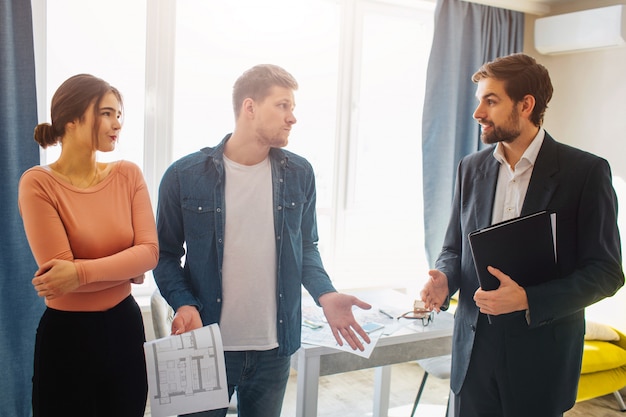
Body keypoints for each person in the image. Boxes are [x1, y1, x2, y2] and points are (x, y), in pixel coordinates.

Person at [153, 64, 372, 417]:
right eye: (283, 106)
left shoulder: (300, 173)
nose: (292, 118)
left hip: (274, 351)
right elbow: (164, 256)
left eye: (293, 108)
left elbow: (305, 247)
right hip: (205, 346)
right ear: (250, 107)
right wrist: (185, 304)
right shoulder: (183, 176)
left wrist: (325, 294)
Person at [420, 53, 624, 417]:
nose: (477, 112)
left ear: (526, 105)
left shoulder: (586, 173)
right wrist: (444, 278)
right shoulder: (471, 167)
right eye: (479, 100)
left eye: (491, 100)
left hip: (542, 359)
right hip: (473, 354)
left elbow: (606, 273)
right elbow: (453, 247)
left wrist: (529, 298)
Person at [18, 74, 159, 417]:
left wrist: (81, 273)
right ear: (73, 119)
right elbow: (59, 280)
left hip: (125, 329)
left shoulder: (129, 175)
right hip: (68, 339)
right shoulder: (38, 183)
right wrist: (125, 269)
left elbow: (149, 253)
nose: (117, 124)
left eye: (119, 115)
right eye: (107, 113)